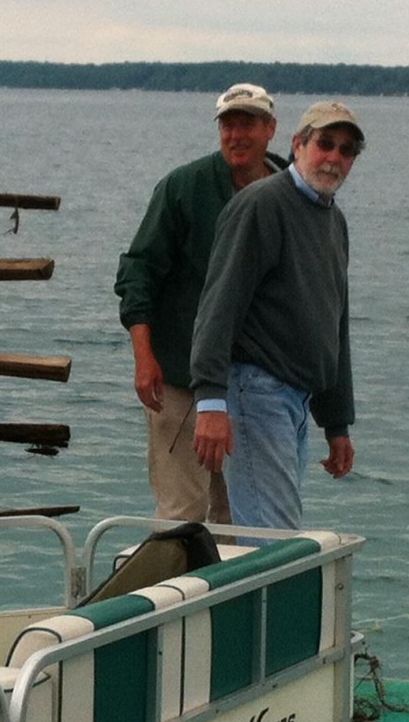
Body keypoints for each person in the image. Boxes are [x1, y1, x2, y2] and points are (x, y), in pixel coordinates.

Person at [190, 101, 365, 540]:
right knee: (274, 541)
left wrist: (337, 422)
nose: (334, 157)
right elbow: (218, 304)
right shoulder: (262, 205)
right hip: (255, 393)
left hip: (297, 401)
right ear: (297, 144)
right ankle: (262, 609)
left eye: (346, 151)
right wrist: (211, 401)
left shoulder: (333, 221)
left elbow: (334, 323)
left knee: (275, 536)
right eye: (325, 143)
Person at [115, 84, 286, 523]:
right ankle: (171, 588)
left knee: (248, 517)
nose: (236, 135)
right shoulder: (183, 187)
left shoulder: (292, 193)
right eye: (228, 124)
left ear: (271, 129)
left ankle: (239, 592)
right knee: (183, 512)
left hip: (257, 388)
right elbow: (138, 272)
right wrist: (143, 358)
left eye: (247, 123)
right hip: (179, 379)